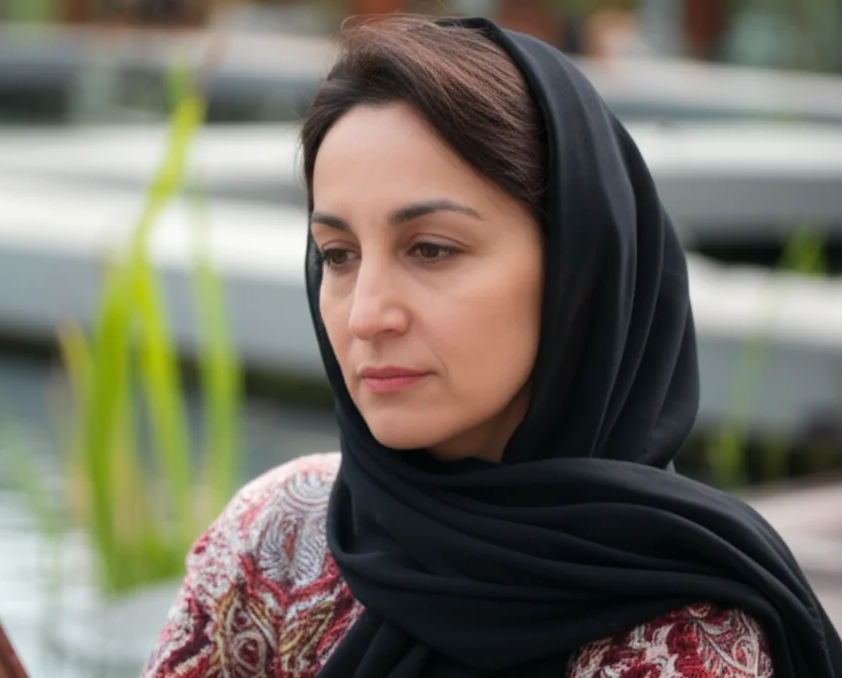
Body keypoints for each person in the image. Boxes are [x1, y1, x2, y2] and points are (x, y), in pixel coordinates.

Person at [141, 15, 842, 678]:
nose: (366, 315)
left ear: (578, 272)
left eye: (433, 249)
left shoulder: (683, 634)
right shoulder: (280, 535)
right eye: (338, 254)